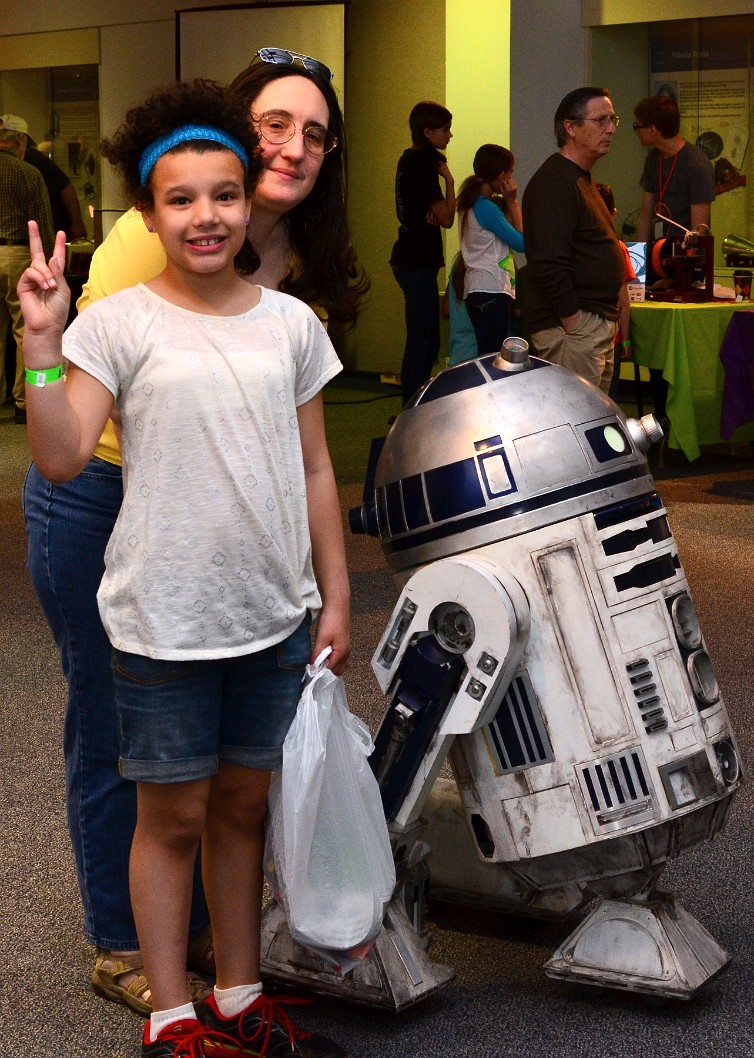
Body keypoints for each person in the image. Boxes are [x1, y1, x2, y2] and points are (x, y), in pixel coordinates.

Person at [21, 48, 367, 1018]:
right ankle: (140, 961)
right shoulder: (136, 283)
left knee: (235, 794)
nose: (208, 212)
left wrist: (331, 587)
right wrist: (43, 347)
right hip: (121, 519)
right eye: (274, 124)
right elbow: (64, 442)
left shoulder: (288, 303)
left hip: (250, 583)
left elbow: (306, 459)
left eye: (312, 132)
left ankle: (233, 981)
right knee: (129, 752)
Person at [522, 86, 624, 392]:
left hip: (592, 324)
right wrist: (574, 321)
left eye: (613, 119)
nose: (611, 129)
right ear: (571, 128)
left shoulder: (580, 179)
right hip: (573, 328)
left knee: (594, 423)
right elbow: (550, 260)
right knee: (576, 425)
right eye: (601, 120)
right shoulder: (556, 183)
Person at [390, 100, 455, 405]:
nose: (450, 135)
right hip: (416, 262)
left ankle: (416, 404)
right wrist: (450, 182)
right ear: (428, 132)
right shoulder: (423, 165)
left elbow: (434, 214)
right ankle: (410, 409)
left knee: (428, 340)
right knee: (422, 341)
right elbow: (446, 218)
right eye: (445, 129)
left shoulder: (410, 161)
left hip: (414, 260)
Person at [0, 114, 54, 423]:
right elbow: (42, 223)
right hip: (18, 253)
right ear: (19, 142)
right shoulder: (28, 173)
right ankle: (24, 403)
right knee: (24, 330)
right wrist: (47, 264)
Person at [456, 143, 524, 355]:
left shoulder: (469, 202)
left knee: (486, 352)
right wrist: (512, 202)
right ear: (502, 174)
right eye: (511, 172)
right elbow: (521, 243)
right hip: (492, 288)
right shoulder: (486, 207)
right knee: (492, 356)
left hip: (475, 288)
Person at [633, 95, 715, 241]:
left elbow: (698, 231)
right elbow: (645, 217)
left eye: (636, 126)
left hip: (684, 258)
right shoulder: (653, 159)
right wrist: (639, 262)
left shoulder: (696, 165)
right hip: (657, 254)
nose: (635, 131)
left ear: (652, 130)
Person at [0, 115, 89, 241]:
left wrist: (77, 223)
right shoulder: (29, 165)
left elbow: (64, 185)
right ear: (20, 139)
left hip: (49, 229)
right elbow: (65, 185)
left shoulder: (32, 160)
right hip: (36, 237)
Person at [595, 182, 636, 401]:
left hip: (585, 332)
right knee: (609, 397)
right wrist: (627, 339)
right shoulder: (618, 248)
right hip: (612, 336)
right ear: (613, 213)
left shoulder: (578, 246)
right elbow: (624, 299)